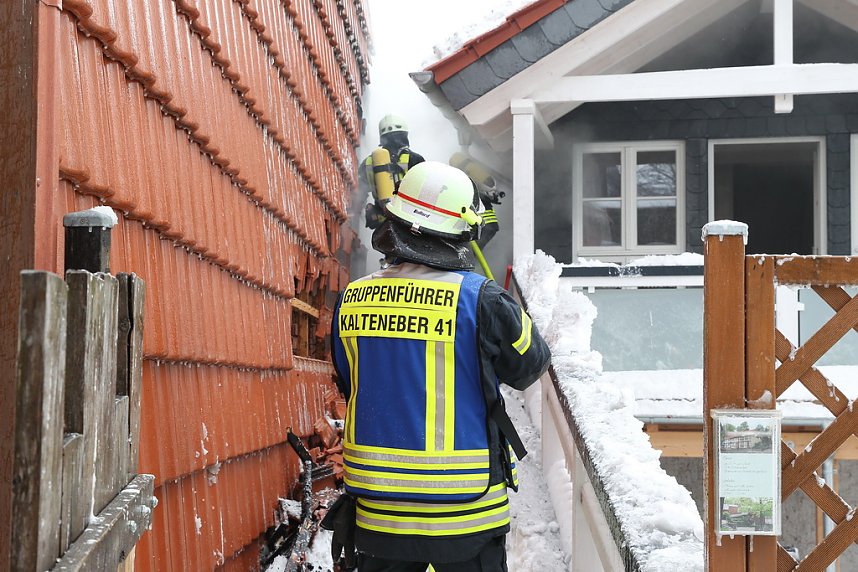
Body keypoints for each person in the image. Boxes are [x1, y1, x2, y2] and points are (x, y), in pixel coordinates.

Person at [327, 161, 551, 571]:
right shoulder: (482, 299)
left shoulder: (351, 299)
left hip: (378, 513)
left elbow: (349, 380)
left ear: (394, 220)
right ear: (464, 230)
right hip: (468, 516)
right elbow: (530, 366)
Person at [357, 114, 426, 229]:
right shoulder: (415, 159)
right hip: (410, 220)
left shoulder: (369, 162)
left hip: (384, 221)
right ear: (405, 135)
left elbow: (360, 190)